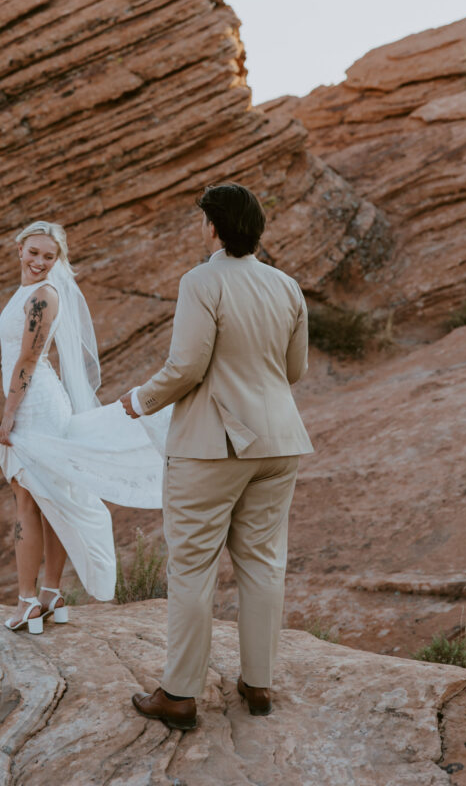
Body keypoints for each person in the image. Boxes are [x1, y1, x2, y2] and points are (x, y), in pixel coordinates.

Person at [121, 183, 313, 731]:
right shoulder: (287, 286)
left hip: (215, 446)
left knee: (191, 569)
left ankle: (179, 695)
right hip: (280, 442)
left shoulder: (201, 280)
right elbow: (294, 371)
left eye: (202, 220)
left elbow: (186, 366)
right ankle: (258, 684)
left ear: (213, 226)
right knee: (263, 563)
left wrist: (140, 399)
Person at [0, 220, 166, 633]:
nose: (39, 261)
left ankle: (28, 601)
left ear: (58, 260)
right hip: (37, 400)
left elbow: (29, 360)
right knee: (52, 499)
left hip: (35, 407)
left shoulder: (43, 296)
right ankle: (50, 596)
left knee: (29, 501)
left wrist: (8, 412)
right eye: (33, 252)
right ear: (19, 249)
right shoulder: (27, 293)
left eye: (48, 256)